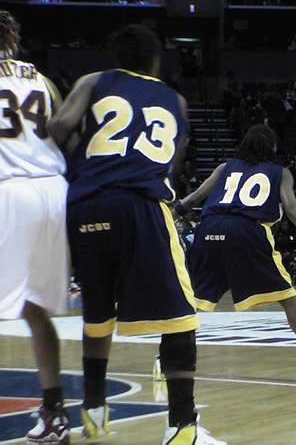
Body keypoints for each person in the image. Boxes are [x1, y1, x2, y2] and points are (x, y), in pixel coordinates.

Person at [47, 25, 224, 445]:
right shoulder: (174, 100)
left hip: (86, 204)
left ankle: (93, 409)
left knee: (97, 311)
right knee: (180, 316)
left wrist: (81, 157)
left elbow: (60, 127)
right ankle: (182, 426)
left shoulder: (93, 81)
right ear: (155, 59)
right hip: (140, 204)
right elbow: (171, 161)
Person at [173, 124, 296, 385]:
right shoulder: (280, 173)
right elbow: (292, 210)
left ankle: (166, 360)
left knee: (193, 301)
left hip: (209, 230)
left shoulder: (225, 168)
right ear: (272, 147)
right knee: (289, 300)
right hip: (247, 230)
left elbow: (192, 200)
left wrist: (165, 217)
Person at [0, 10, 70, 444]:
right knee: (34, 309)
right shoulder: (42, 79)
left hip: (10, 190)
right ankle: (54, 412)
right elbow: (66, 131)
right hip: (53, 191)